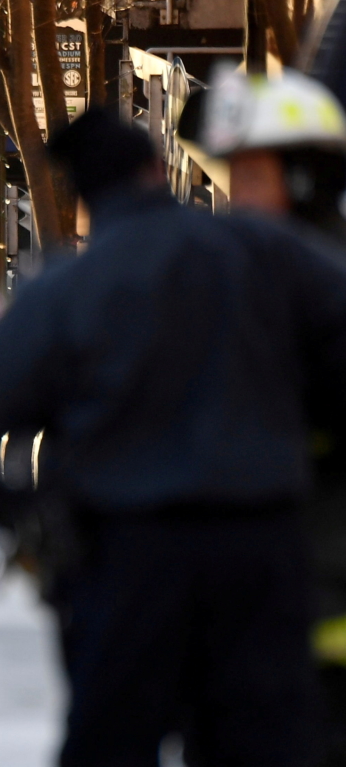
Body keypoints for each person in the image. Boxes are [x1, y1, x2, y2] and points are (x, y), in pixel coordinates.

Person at [0, 106, 346, 766]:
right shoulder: (261, 250)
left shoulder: (69, 285)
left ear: (83, 190)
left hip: (132, 553)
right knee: (263, 738)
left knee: (113, 739)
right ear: (157, 169)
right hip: (263, 542)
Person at [200, 67, 346, 766]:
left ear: (309, 175)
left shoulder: (316, 283)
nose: (239, 197)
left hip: (318, 598)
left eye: (255, 177)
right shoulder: (225, 274)